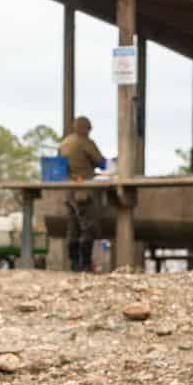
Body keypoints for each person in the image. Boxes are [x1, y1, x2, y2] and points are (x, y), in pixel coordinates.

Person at [57, 116, 106, 273]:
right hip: (84, 190)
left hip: (69, 190)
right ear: (86, 128)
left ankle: (73, 264)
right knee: (88, 227)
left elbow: (60, 164)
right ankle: (85, 264)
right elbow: (100, 162)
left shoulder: (64, 143)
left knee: (72, 227)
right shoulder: (85, 142)